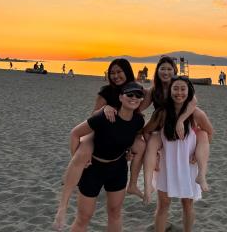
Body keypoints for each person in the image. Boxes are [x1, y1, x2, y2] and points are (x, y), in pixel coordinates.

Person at [54, 59, 145, 230]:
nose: (116, 75)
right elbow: (91, 116)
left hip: (117, 164)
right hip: (97, 137)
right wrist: (105, 109)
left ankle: (132, 184)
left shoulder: (137, 109)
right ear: (120, 97)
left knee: (115, 213)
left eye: (119, 72)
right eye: (113, 72)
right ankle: (63, 206)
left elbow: (134, 127)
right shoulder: (106, 93)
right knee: (82, 157)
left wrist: (127, 150)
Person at [145, 76, 214, 232]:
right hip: (166, 165)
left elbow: (209, 133)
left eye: (183, 89)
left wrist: (198, 154)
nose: (179, 92)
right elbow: (146, 131)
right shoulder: (162, 113)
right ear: (170, 91)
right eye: (175, 88)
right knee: (163, 205)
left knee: (187, 205)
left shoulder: (196, 114)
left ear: (189, 92)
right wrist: (155, 154)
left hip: (188, 165)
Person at [140, 56, 209, 205]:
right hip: (161, 123)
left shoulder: (181, 86)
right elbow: (140, 107)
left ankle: (201, 175)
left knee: (203, 135)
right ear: (157, 71)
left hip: (180, 123)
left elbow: (193, 103)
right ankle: (147, 187)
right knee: (152, 145)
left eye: (169, 69)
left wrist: (181, 120)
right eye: (162, 68)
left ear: (175, 71)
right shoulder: (154, 90)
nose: (166, 72)